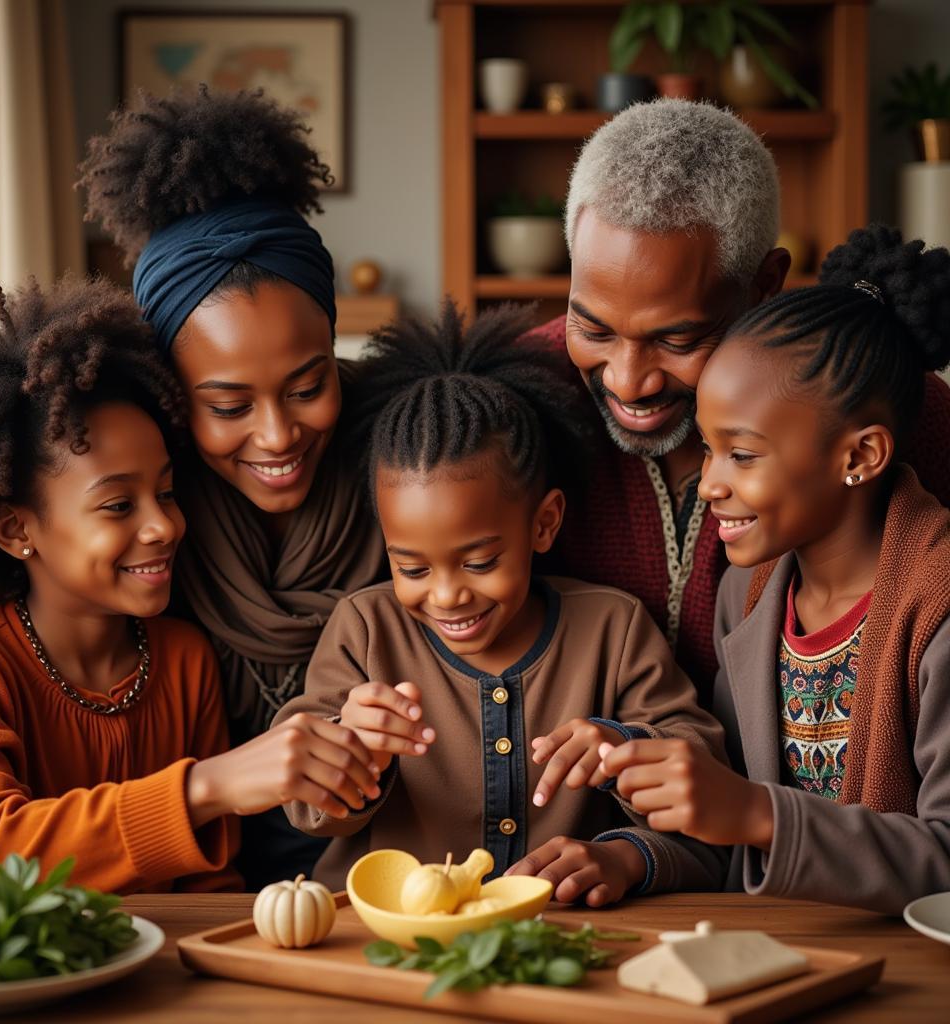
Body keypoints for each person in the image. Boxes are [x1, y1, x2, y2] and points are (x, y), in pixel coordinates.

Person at [0, 278, 380, 894]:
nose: (164, 525)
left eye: (166, 492)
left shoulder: (181, 659)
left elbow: (210, 887)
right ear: (14, 529)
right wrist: (208, 785)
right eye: (117, 506)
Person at [275, 302, 726, 904]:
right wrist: (351, 747)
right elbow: (307, 805)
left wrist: (621, 780)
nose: (445, 594)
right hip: (386, 941)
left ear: (544, 525)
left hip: (567, 934)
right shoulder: (365, 628)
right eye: (410, 566)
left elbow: (701, 774)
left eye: (479, 562)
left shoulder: (611, 629)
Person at [530, 99, 950, 701]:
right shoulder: (514, 398)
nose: (626, 382)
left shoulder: (888, 408)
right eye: (593, 330)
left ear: (764, 284)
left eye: (676, 338)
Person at [78, 87, 386, 884]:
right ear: (175, 399)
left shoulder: (407, 476)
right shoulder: (147, 533)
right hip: (203, 901)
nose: (279, 435)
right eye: (229, 406)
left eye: (309, 385)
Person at [596, 225, 950, 914]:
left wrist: (760, 813)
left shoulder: (937, 605)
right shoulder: (748, 593)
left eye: (744, 454)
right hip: (778, 956)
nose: (708, 484)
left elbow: (944, 857)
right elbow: (727, 824)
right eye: (708, 447)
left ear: (860, 456)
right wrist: (625, 851)